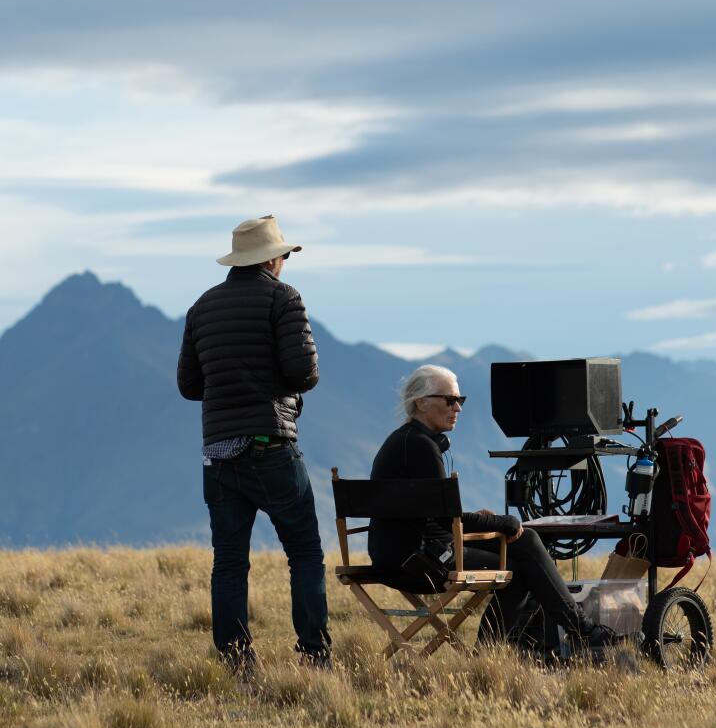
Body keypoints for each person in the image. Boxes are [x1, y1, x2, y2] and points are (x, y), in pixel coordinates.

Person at [368, 364, 620, 654]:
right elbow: (446, 518)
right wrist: (503, 523)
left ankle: (569, 633)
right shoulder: (421, 447)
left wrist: (492, 522)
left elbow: (434, 514)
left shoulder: (404, 441)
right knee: (522, 554)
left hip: (399, 555)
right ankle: (571, 633)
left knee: (523, 551)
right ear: (421, 403)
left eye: (460, 401)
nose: (458, 409)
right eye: (450, 400)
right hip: (418, 561)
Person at [177, 215, 331, 673]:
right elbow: (305, 372)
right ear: (271, 259)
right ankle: (314, 654)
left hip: (218, 452)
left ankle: (236, 660)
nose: (284, 262)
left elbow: (189, 385)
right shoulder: (283, 298)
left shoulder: (201, 307)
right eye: (283, 255)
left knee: (228, 561)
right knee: (304, 552)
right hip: (271, 445)